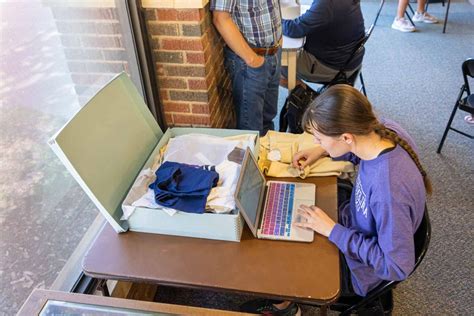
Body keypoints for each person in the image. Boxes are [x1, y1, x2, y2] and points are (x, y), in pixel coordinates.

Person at [240, 85, 431, 315]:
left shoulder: (388, 191)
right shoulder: (384, 130)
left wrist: (332, 230)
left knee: (273, 250)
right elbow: (357, 150)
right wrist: (321, 152)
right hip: (352, 223)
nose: (317, 143)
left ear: (345, 136)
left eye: (320, 139)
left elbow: (396, 267)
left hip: (360, 269)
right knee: (287, 221)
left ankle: (286, 307)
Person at [210, 0, 282, 136]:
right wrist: (252, 59)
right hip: (250, 60)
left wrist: (279, 42)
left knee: (268, 117)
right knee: (251, 129)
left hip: (273, 53)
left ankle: (266, 155)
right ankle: (255, 157)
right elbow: (220, 17)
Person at [281, 0, 365, 84]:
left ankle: (305, 95)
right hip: (349, 59)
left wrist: (276, 22)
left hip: (332, 67)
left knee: (274, 62)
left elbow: (295, 29)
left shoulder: (327, 3)